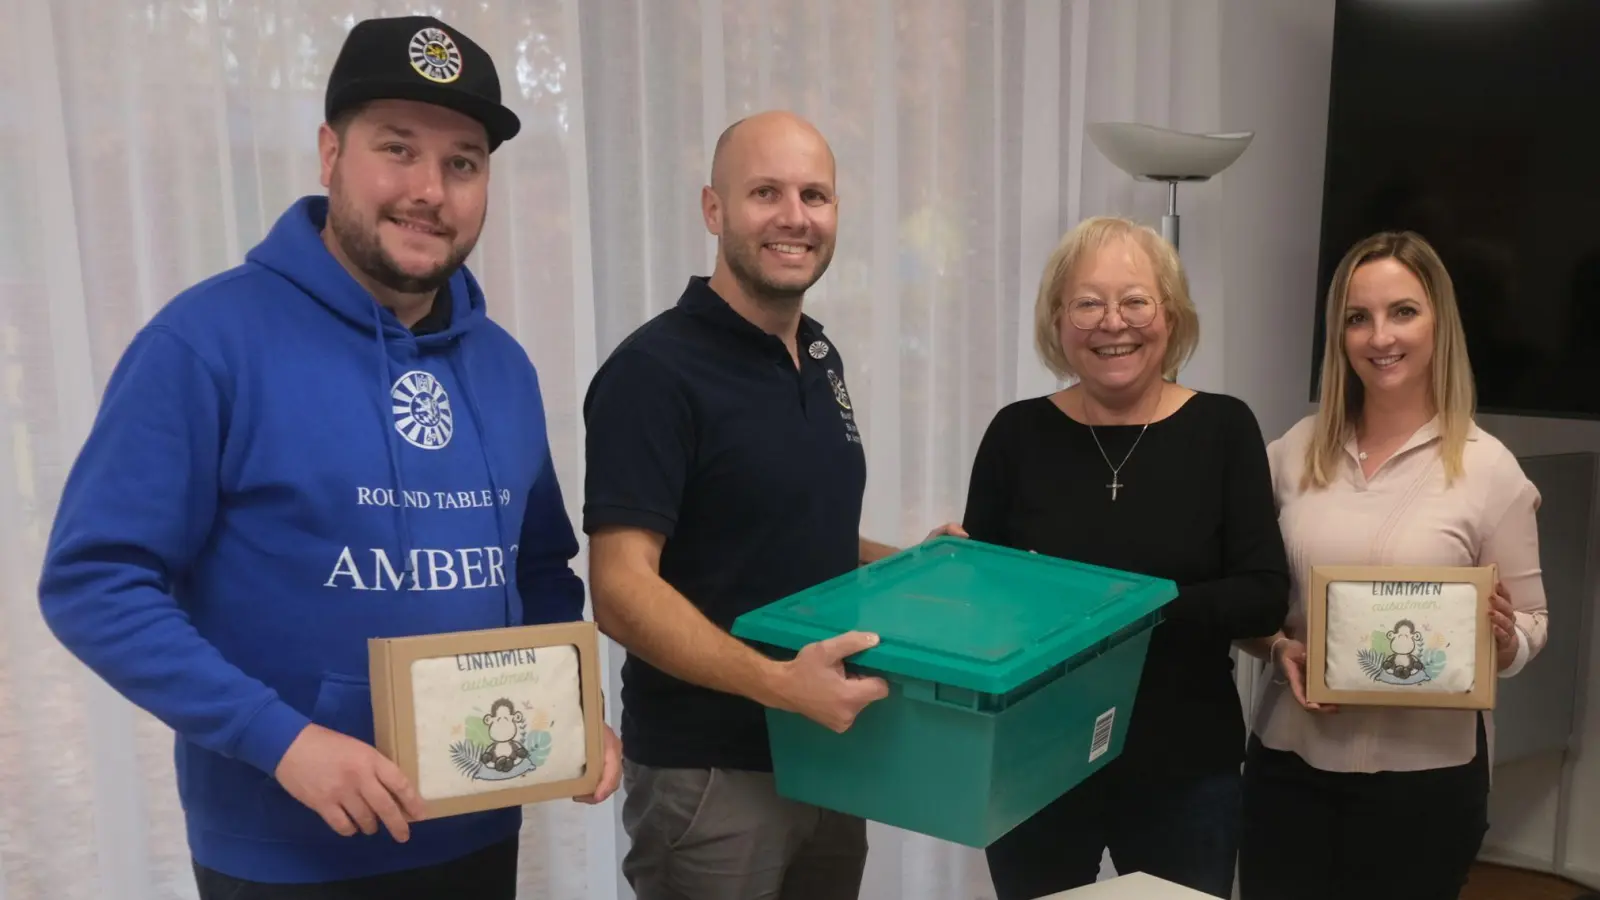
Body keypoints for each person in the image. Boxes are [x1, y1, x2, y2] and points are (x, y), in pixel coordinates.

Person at [36, 15, 619, 900]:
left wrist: (571, 713)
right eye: (398, 149)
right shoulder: (206, 343)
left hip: (475, 831)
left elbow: (538, 568)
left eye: (462, 162)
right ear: (328, 154)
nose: (430, 189)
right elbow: (95, 581)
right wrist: (285, 742)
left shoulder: (503, 368)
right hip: (282, 850)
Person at [582, 110, 922, 900]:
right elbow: (622, 591)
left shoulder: (819, 355)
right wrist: (778, 685)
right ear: (714, 210)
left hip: (828, 754)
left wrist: (924, 566)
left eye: (815, 195)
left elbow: (793, 527)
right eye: (765, 192)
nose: (794, 217)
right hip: (710, 776)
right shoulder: (653, 372)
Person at [957, 216, 1290, 900]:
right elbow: (982, 608)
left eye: (1135, 300)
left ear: (1170, 315)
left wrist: (1125, 608)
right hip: (1034, 764)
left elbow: (1261, 594)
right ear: (1058, 319)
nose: (1114, 323)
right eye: (1088, 302)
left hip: (1186, 768)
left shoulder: (1224, 429)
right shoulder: (1015, 434)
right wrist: (949, 575)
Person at [1236, 230, 1549, 900]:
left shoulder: (1491, 470)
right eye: (1359, 317)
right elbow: (1244, 598)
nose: (1381, 337)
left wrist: (1505, 638)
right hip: (1289, 770)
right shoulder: (1290, 454)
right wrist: (1275, 647)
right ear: (1339, 335)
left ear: (1440, 322)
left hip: (1428, 786)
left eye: (1403, 311)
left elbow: (1532, 626)